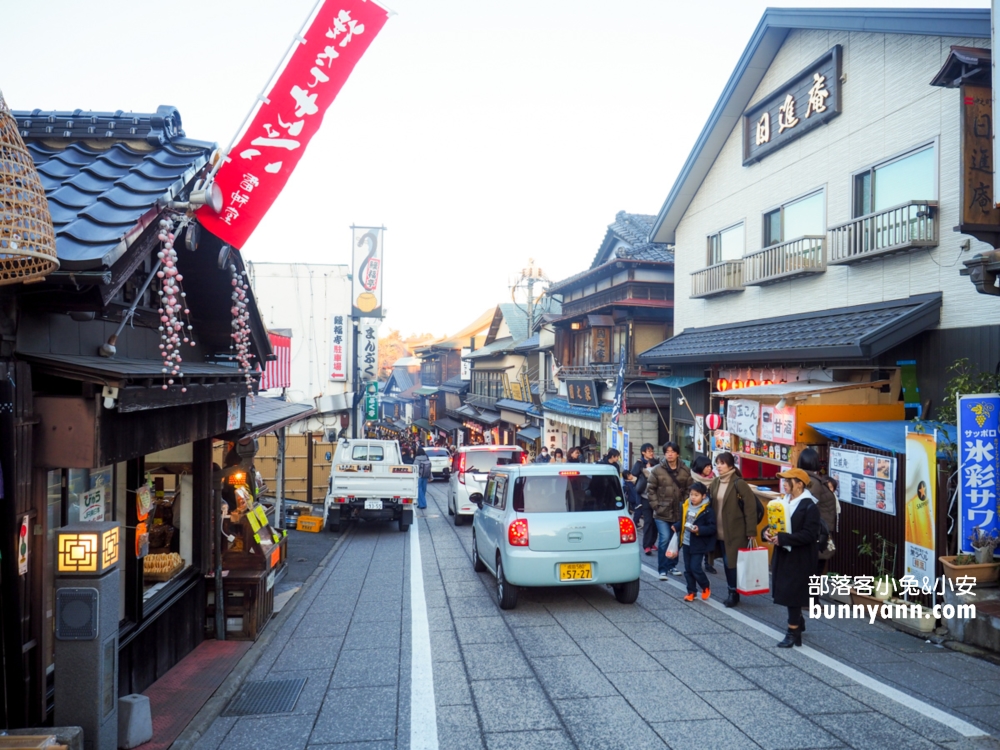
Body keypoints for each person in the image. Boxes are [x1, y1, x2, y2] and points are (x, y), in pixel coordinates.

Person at [763, 468, 821, 648]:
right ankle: (798, 622)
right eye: (784, 480)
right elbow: (773, 525)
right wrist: (767, 533)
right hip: (784, 553)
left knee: (793, 594)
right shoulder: (782, 502)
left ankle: (793, 631)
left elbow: (810, 535)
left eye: (788, 481)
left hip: (800, 557)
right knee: (787, 591)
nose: (784, 484)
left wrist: (783, 539)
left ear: (799, 484)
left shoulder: (810, 506)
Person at [709, 452, 759, 607]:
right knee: (726, 562)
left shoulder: (739, 483)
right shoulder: (716, 482)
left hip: (736, 531)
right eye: (717, 463)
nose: (719, 466)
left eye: (722, 463)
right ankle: (733, 590)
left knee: (730, 562)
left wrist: (751, 531)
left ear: (730, 465)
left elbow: (750, 509)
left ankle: (733, 592)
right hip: (719, 530)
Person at [646, 442, 692, 579]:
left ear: (678, 453)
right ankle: (662, 568)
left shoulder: (685, 470)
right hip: (661, 512)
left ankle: (672, 565)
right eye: (667, 452)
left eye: (672, 451)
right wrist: (656, 506)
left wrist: (684, 503)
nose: (670, 454)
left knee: (676, 540)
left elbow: (690, 489)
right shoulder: (657, 470)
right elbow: (650, 489)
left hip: (678, 511)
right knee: (665, 538)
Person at [797, 447, 838, 574]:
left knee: (810, 577)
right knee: (813, 577)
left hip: (812, 537)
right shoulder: (811, 482)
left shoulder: (807, 482)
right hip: (814, 537)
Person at [674, 481, 716, 601]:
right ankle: (691, 591)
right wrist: (677, 526)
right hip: (686, 541)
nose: (692, 497)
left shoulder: (707, 510)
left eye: (696, 495)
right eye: (691, 494)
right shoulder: (686, 505)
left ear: (703, 496)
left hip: (698, 543)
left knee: (695, 568)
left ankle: (705, 585)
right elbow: (683, 521)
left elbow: (712, 528)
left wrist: (699, 530)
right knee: (688, 569)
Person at [691, 455, 717, 574]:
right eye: (706, 466)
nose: (709, 469)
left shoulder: (715, 479)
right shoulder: (692, 478)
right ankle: (695, 562)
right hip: (695, 512)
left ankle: (708, 563)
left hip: (709, 511)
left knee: (709, 537)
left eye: (710, 466)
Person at [630, 443, 658, 554]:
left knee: (656, 522)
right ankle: (646, 545)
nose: (651, 453)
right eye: (649, 451)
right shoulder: (639, 463)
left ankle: (652, 543)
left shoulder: (656, 463)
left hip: (656, 497)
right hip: (645, 496)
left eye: (652, 451)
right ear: (643, 453)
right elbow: (632, 477)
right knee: (648, 521)